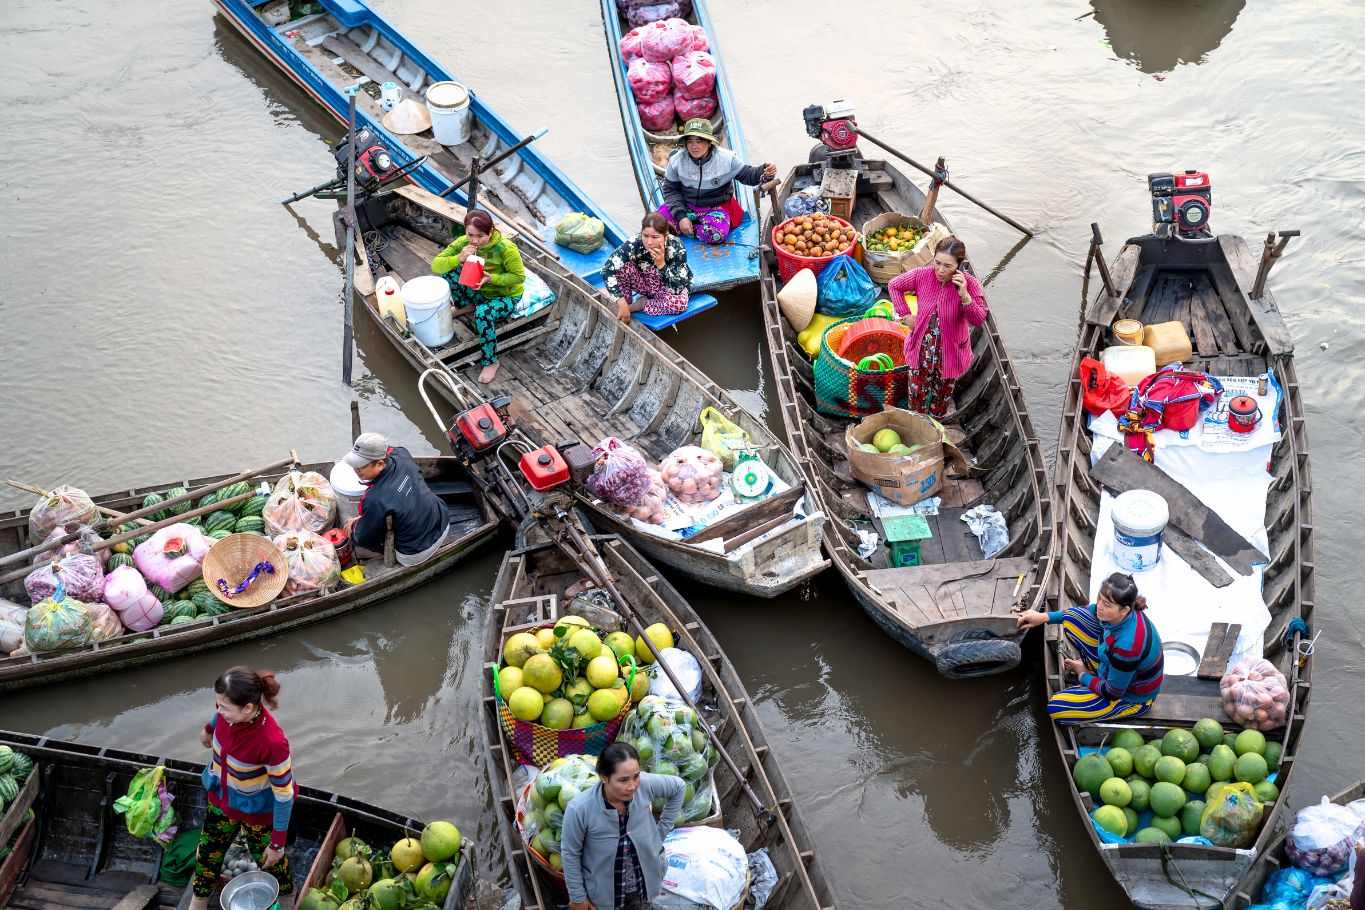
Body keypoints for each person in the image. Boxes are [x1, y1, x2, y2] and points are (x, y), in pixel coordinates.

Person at [192, 667, 296, 910]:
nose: (220, 711)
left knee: (270, 861)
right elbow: (218, 717)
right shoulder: (227, 716)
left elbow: (284, 795)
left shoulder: (272, 742)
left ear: (248, 708)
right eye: (217, 704)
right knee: (208, 855)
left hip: (257, 813)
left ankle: (288, 901)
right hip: (221, 799)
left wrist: (277, 844)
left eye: (225, 707)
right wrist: (207, 731)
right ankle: (197, 903)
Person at [1016, 572, 1165, 725]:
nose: (1100, 606)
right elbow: (1089, 609)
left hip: (1131, 696)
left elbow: (1112, 692)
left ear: (1125, 610)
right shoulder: (1120, 614)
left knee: (1057, 707)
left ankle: (1098, 679)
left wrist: (1083, 675)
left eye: (1107, 604)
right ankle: (1097, 674)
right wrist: (1044, 617)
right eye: (1100, 597)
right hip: (1114, 670)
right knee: (1073, 618)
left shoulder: (1128, 645)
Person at [561, 742, 686, 910]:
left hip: (643, 885)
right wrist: (578, 898)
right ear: (604, 777)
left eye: (636, 776)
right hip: (604, 895)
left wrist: (660, 833)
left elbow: (679, 787)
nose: (632, 786)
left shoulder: (644, 786)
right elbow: (570, 854)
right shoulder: (579, 809)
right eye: (623, 780)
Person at [886, 236, 988, 418]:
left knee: (939, 405)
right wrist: (906, 315)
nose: (940, 270)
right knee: (916, 403)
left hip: (949, 357)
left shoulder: (969, 284)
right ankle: (917, 430)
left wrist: (965, 296)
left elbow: (979, 319)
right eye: (937, 262)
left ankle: (934, 429)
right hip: (921, 353)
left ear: (958, 265)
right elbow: (894, 286)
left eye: (948, 266)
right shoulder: (922, 275)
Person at [431, 209, 526, 383]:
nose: (475, 241)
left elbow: (519, 277)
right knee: (448, 275)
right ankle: (466, 305)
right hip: (479, 290)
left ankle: (491, 361)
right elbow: (436, 265)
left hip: (504, 296)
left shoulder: (506, 248)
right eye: (470, 235)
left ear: (491, 231)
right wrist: (459, 258)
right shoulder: (464, 243)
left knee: (483, 313)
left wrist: (492, 278)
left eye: (480, 236)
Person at [340, 432, 450, 568]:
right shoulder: (402, 454)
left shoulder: (375, 498)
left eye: (361, 465)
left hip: (416, 552)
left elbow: (362, 536)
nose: (355, 469)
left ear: (380, 464)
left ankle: (392, 562)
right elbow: (389, 449)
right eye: (354, 462)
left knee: (358, 533)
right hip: (443, 520)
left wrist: (353, 525)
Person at [659, 118, 776, 245]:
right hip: (686, 204)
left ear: (709, 143)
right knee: (656, 225)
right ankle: (688, 225)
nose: (694, 146)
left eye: (699, 141)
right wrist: (681, 217)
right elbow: (670, 190)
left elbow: (748, 175)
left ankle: (689, 229)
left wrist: (764, 171)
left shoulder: (726, 159)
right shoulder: (677, 161)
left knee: (716, 234)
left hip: (714, 207)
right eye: (690, 141)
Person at [602, 213, 693, 323]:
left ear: (665, 235)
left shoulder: (676, 246)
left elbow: (677, 288)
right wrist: (621, 302)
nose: (649, 242)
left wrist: (661, 265)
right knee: (621, 267)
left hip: (665, 286)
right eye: (645, 236)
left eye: (655, 237)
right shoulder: (634, 243)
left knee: (679, 304)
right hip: (644, 283)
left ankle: (640, 304)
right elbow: (607, 270)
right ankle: (625, 302)